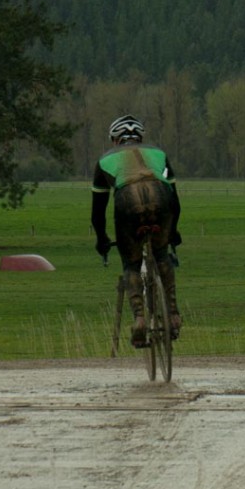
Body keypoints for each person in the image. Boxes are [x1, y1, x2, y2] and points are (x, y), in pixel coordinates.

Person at [91, 115, 182, 348]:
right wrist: (173, 231)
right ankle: (173, 314)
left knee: (131, 264)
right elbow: (175, 201)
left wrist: (102, 240)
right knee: (161, 255)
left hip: (127, 200)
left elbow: (98, 212)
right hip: (160, 195)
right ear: (140, 137)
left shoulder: (104, 160)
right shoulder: (158, 153)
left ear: (115, 139)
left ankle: (140, 320)